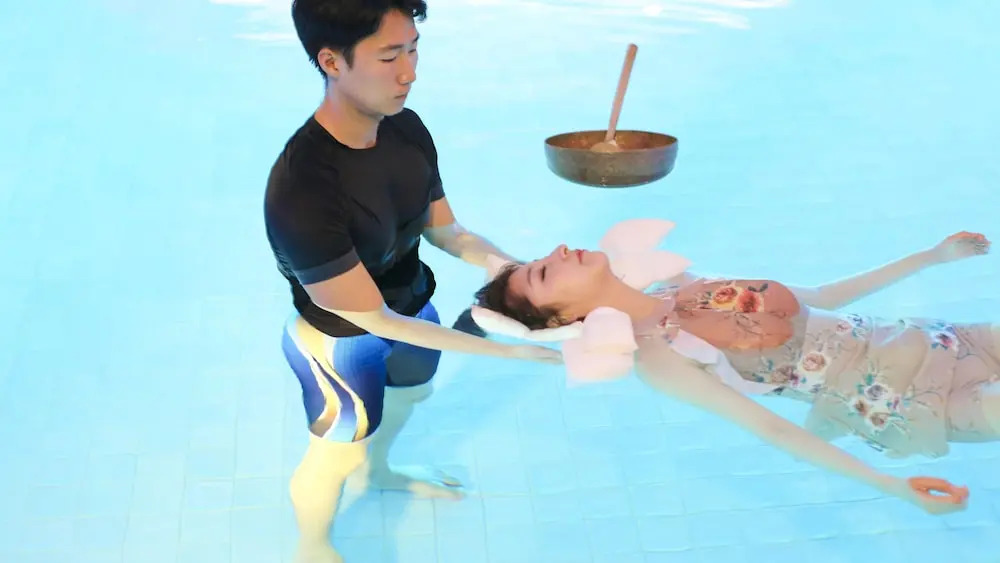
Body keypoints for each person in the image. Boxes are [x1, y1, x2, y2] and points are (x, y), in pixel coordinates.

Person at [263, 2, 559, 561]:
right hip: (340, 341)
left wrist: (521, 275)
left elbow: (447, 232)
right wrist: (508, 351)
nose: (409, 73)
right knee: (338, 454)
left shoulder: (405, 127)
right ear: (332, 61)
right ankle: (313, 546)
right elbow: (372, 319)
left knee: (413, 394)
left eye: (414, 50)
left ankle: (382, 472)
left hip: (413, 307)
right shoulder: (302, 190)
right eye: (389, 57)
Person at [474, 229, 997, 514]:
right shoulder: (660, 360)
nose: (560, 251)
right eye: (545, 272)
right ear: (562, 320)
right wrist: (892, 486)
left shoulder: (682, 284)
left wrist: (930, 257)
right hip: (916, 404)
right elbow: (773, 429)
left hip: (938, 341)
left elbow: (822, 297)